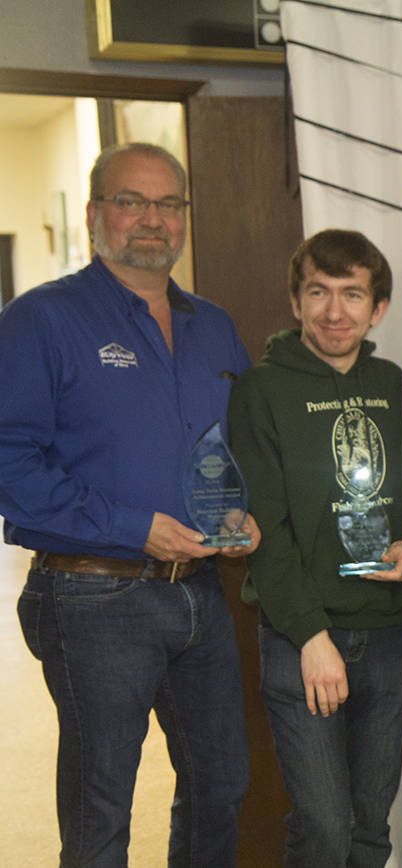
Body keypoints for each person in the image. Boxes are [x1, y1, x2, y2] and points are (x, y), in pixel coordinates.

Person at [0, 142, 258, 865]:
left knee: (220, 786)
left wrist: (243, 510)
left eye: (168, 204)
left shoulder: (214, 324)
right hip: (90, 596)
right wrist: (132, 528)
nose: (152, 219)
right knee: (103, 806)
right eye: (131, 201)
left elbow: (229, 444)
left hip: (201, 594)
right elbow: (8, 460)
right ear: (94, 214)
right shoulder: (41, 320)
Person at [227, 229, 402, 866]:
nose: (334, 312)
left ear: (380, 307)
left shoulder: (394, 382)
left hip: (391, 631)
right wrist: (312, 636)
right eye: (318, 292)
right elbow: (266, 527)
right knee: (323, 826)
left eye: (352, 294)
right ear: (295, 301)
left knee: (372, 828)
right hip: (303, 637)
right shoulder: (261, 389)